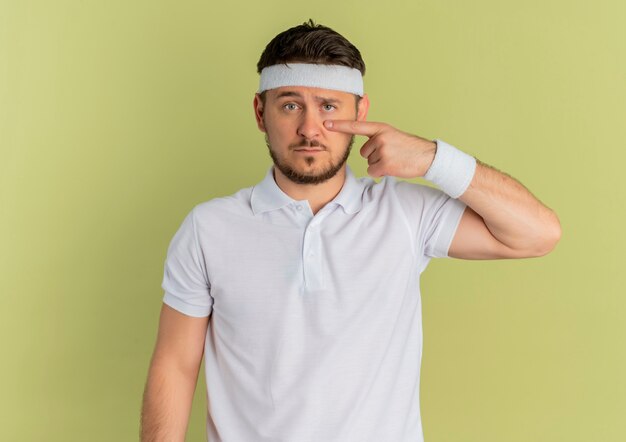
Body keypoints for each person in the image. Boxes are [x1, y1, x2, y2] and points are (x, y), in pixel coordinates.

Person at [140, 19, 561, 442]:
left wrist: (433, 158)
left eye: (328, 107)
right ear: (259, 113)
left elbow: (538, 233)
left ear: (360, 113)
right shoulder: (209, 228)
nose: (310, 128)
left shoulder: (404, 213)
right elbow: (175, 365)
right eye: (290, 105)